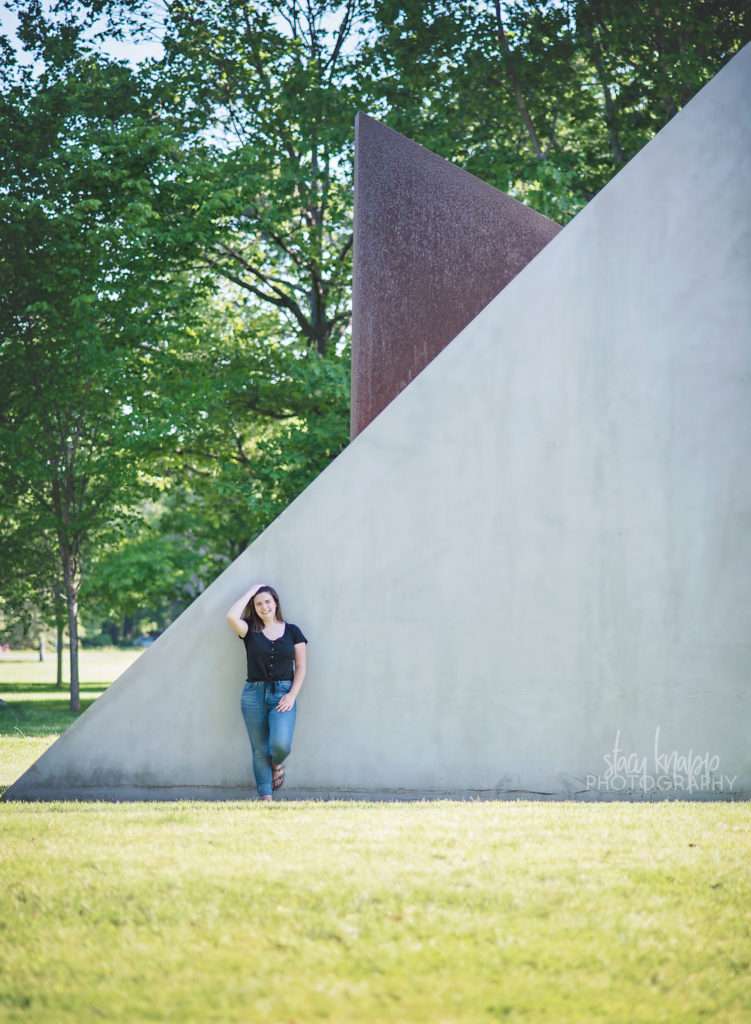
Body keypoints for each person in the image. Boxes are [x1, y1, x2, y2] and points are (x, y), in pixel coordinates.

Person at [226, 583, 308, 801]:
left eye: (267, 601)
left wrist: (291, 695)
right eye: (259, 603)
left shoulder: (293, 631)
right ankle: (266, 798)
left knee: (280, 745)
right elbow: (231, 617)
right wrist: (251, 592)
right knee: (259, 749)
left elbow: (301, 667)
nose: (264, 607)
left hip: (283, 693)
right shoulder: (249, 630)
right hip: (253, 695)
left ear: (276, 603)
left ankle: (277, 763)